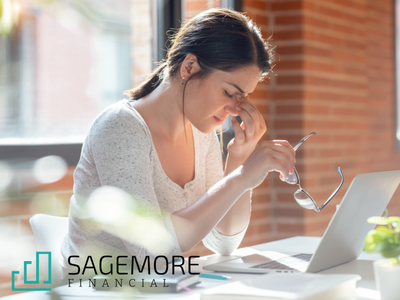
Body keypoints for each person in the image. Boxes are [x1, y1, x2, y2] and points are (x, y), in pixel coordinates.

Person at [61, 8, 295, 276]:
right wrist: (241, 178)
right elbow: (151, 252)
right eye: (230, 92)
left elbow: (224, 242)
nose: (235, 109)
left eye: (243, 98)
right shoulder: (120, 127)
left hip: (155, 286)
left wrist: (239, 159)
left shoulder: (202, 132)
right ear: (190, 67)